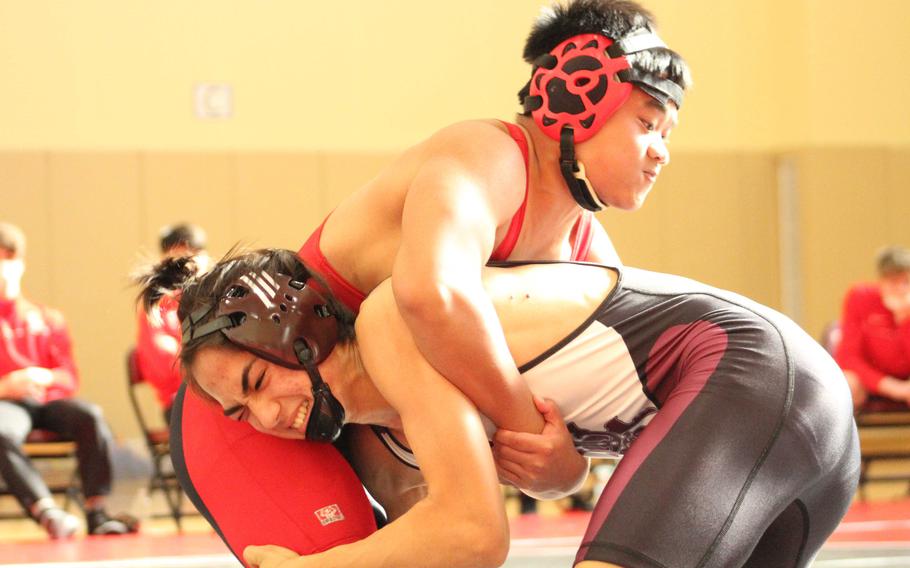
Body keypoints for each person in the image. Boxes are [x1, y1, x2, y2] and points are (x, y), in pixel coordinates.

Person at [169, 0, 692, 560]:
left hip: (371, 421)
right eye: (646, 123)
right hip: (257, 397)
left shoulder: (581, 246)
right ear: (576, 96)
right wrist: (528, 431)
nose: (661, 153)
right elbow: (429, 295)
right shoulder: (487, 158)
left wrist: (565, 468)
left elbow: (575, 417)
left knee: (447, 549)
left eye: (666, 132)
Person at [143, 247, 859, 568]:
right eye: (238, 415)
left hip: (757, 378)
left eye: (257, 385)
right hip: (780, 437)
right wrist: (560, 472)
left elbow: (476, 536)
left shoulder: (397, 320)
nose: (265, 420)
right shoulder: (383, 441)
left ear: (294, 332)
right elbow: (456, 552)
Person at [0, 222, 139, 538]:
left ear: (19, 264)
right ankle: (47, 511)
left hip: (46, 400)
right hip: (6, 403)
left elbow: (69, 377)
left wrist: (43, 376)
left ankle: (96, 511)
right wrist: (7, 386)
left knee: (90, 416)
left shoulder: (47, 318)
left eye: (7, 259)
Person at [134, 223, 209, 423]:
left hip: (221, 391)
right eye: (178, 259)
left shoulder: (215, 295)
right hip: (183, 400)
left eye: (194, 255)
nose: (187, 265)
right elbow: (161, 364)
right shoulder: (158, 307)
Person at [835, 246, 910, 408]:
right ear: (881, 280)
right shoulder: (860, 297)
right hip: (871, 380)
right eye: (892, 281)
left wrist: (904, 319)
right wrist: (894, 388)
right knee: (847, 384)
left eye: (905, 282)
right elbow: (848, 357)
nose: (900, 289)